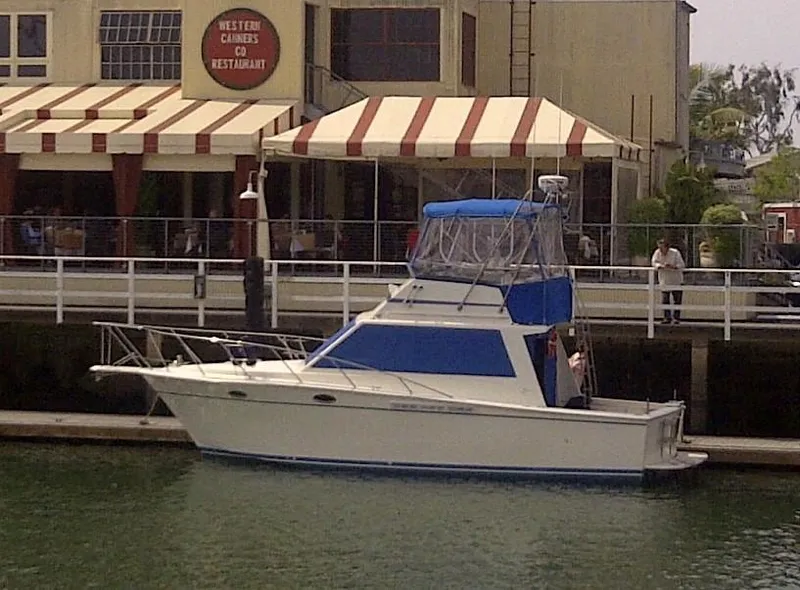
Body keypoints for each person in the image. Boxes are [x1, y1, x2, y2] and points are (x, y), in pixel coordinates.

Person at [651, 238, 686, 324]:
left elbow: (681, 264)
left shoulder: (675, 253)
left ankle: (676, 318)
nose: (661, 250)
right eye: (659, 247)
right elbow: (654, 262)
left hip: (676, 280)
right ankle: (667, 318)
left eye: (662, 248)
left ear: (667, 247)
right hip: (664, 280)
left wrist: (673, 266)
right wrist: (659, 266)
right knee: (665, 300)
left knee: (677, 300)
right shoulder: (657, 253)